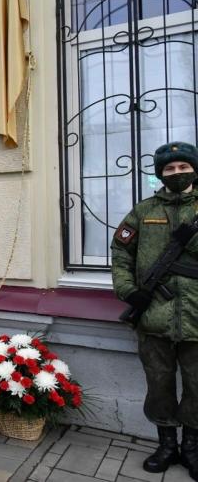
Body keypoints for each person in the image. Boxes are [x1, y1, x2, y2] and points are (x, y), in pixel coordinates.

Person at [112, 141, 198, 477]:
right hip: (153, 317)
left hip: (196, 317)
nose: (177, 173)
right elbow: (120, 253)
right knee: (159, 384)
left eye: (183, 167)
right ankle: (167, 446)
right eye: (169, 168)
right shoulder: (143, 211)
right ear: (160, 173)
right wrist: (128, 290)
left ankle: (192, 448)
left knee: (197, 386)